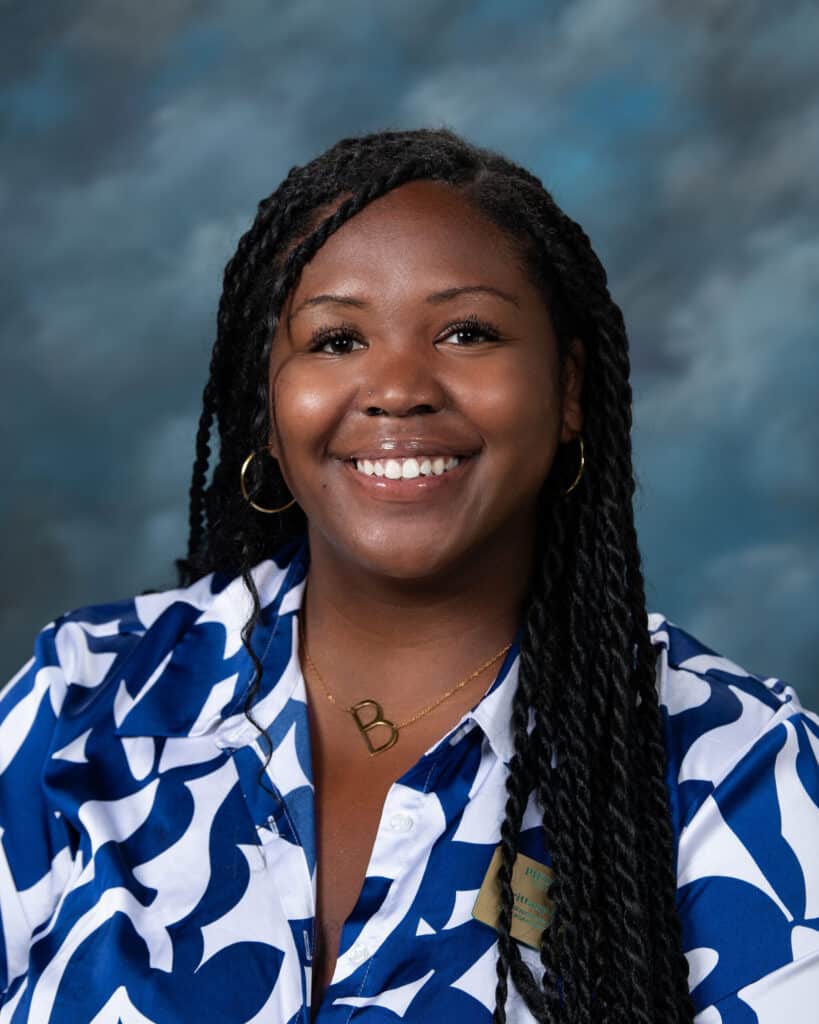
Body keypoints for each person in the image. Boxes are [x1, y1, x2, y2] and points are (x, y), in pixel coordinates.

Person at [1, 128, 817, 1024]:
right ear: (267, 404)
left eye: (466, 332)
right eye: (336, 339)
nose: (397, 387)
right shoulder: (86, 696)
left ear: (570, 389)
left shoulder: (741, 770)